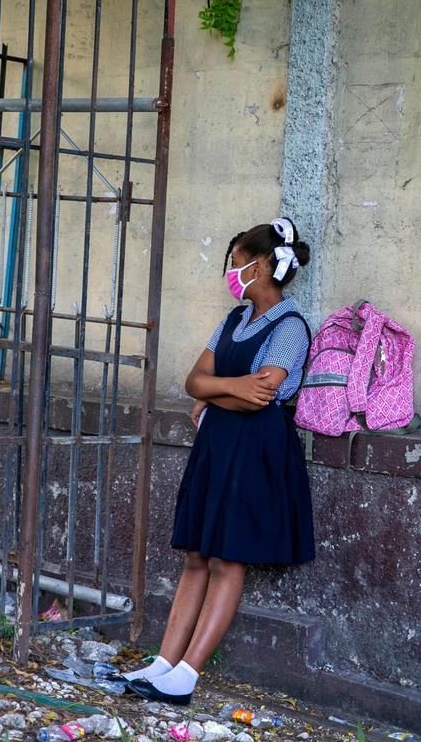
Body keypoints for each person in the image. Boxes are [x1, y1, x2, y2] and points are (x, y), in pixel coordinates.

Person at [120, 217, 315, 706]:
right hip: (217, 445)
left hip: (255, 449)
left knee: (228, 560)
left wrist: (216, 395)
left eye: (238, 264)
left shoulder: (291, 327)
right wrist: (229, 388)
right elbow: (194, 381)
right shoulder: (231, 320)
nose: (233, 273)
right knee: (196, 556)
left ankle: (187, 674)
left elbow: (263, 396)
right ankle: (163, 662)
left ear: (264, 265)